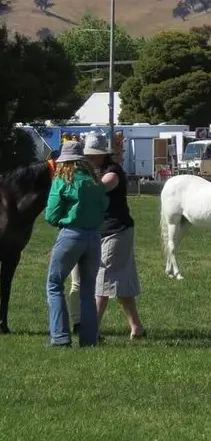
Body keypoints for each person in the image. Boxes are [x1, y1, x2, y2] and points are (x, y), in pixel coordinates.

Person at [68, 133, 145, 341]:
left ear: (103, 155)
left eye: (93, 155)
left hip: (117, 231)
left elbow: (100, 189)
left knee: (101, 283)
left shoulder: (113, 172)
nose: (90, 158)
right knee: (121, 284)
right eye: (88, 155)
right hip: (103, 231)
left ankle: (91, 331)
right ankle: (136, 327)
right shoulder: (92, 170)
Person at [44, 140, 108, 348]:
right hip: (94, 237)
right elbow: (104, 207)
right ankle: (89, 340)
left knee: (54, 284)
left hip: (71, 235)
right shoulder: (94, 182)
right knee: (88, 291)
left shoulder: (62, 180)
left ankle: (60, 337)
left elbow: (51, 215)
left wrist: (64, 220)